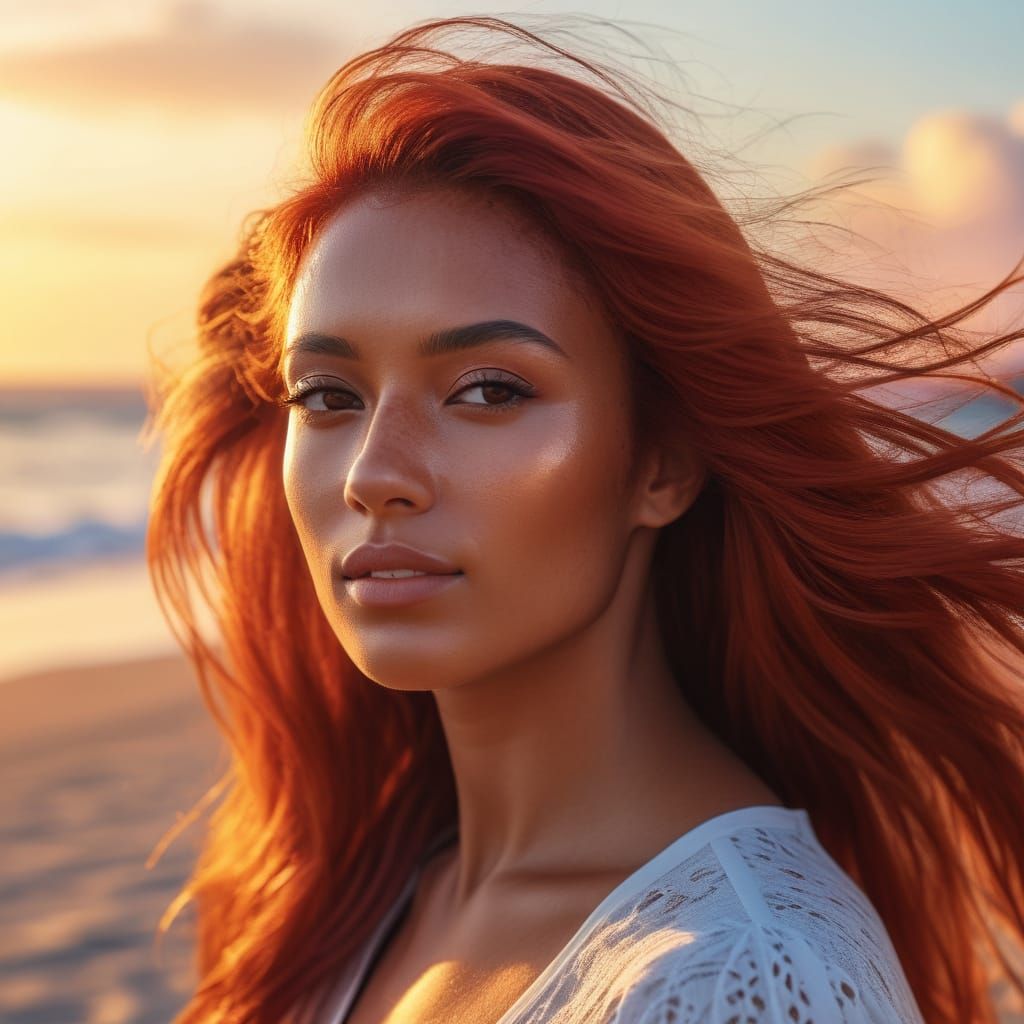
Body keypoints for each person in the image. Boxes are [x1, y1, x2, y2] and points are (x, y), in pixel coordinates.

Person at [144, 13, 1024, 1024]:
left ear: (662, 461)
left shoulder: (740, 977)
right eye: (328, 396)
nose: (373, 474)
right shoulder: (364, 890)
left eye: (487, 390)